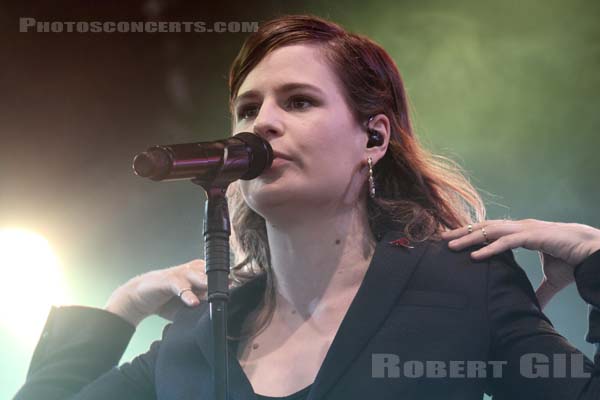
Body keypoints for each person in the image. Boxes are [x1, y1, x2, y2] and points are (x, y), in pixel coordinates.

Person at [14, 14, 600, 400]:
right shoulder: (199, 335)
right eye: (246, 110)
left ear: (372, 139)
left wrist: (598, 261)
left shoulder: (459, 285)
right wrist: (122, 309)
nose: (262, 122)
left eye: (298, 102)